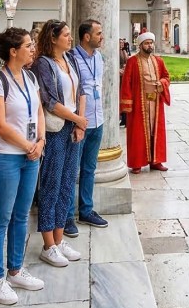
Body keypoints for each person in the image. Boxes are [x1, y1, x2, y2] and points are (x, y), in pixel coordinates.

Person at [0, 27, 46, 306]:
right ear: (13, 51)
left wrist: (40, 141)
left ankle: (16, 268)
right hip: (5, 156)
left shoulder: (30, 76)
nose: (32, 49)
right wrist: (27, 145)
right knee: (0, 219)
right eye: (28, 45)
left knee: (22, 215)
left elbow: (39, 111)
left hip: (31, 155)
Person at [31, 21, 86, 268]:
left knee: (66, 182)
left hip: (72, 127)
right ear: (53, 39)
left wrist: (79, 124)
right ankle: (48, 244)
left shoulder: (70, 59)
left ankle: (60, 238)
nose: (70, 38)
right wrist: (77, 119)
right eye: (65, 35)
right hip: (55, 129)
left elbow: (81, 90)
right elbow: (50, 101)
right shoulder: (44, 63)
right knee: (51, 184)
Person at [68, 19, 109, 231]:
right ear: (87, 37)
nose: (102, 37)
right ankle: (67, 217)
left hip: (97, 119)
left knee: (89, 168)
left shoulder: (99, 57)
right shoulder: (72, 58)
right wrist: (77, 121)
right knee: (72, 169)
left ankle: (86, 210)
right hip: (79, 121)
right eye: (99, 33)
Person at [121, 31, 171, 173]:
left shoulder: (159, 61)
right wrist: (127, 104)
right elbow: (126, 83)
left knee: (156, 131)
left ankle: (156, 161)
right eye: (147, 43)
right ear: (140, 45)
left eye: (151, 43)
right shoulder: (132, 61)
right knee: (137, 133)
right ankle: (136, 163)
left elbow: (167, 77)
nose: (150, 45)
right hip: (139, 102)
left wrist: (161, 83)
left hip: (155, 101)